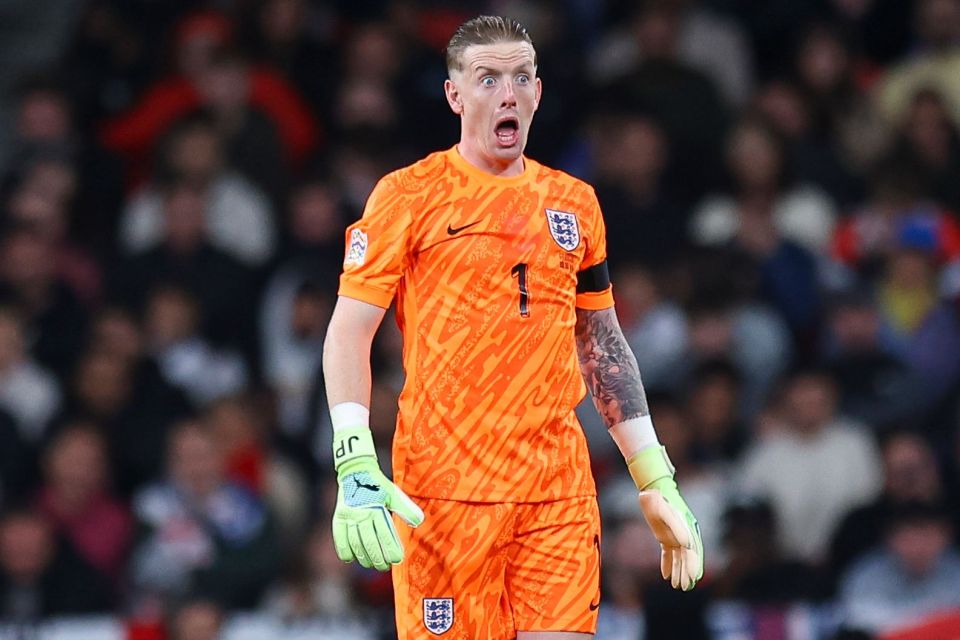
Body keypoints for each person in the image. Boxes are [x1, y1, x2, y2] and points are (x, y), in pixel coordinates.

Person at [322, 15, 703, 639]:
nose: (508, 93)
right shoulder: (408, 195)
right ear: (454, 95)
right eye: (488, 78)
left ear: (538, 92)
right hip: (444, 494)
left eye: (521, 77)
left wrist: (654, 476)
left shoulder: (574, 202)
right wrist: (354, 457)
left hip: (555, 491)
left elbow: (601, 343)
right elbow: (347, 333)